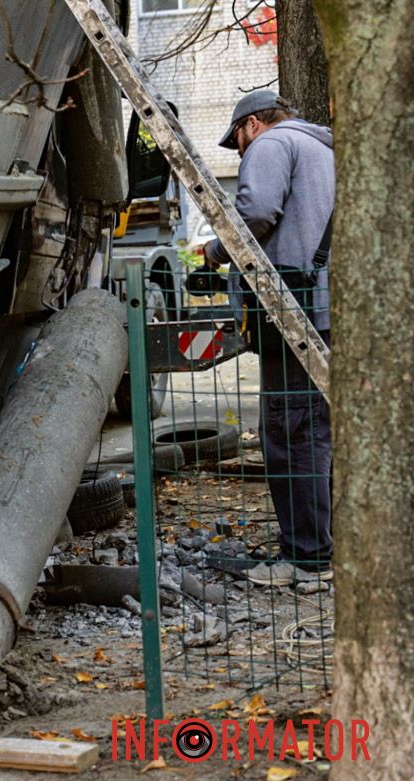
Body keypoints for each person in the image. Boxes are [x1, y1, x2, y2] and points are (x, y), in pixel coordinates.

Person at [202, 89, 334, 587]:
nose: (240, 154)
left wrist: (216, 250)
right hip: (325, 307)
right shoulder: (323, 147)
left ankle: (305, 559)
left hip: (292, 310)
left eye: (237, 143)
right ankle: (323, 547)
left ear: (252, 124)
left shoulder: (272, 145)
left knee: (289, 431)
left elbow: (255, 214)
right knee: (318, 431)